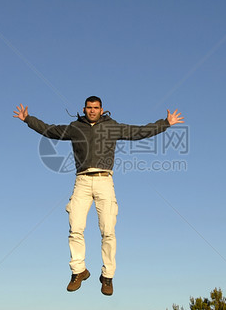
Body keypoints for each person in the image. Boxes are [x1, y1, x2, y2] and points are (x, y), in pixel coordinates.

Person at [14, 96, 184, 296]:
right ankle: (78, 271)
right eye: (89, 107)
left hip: (104, 181)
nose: (92, 110)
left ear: (102, 109)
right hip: (82, 181)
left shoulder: (112, 127)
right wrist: (28, 119)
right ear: (84, 109)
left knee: (108, 230)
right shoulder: (75, 127)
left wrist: (165, 124)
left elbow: (139, 132)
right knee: (75, 227)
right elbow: (50, 130)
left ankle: (107, 276)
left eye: (96, 108)